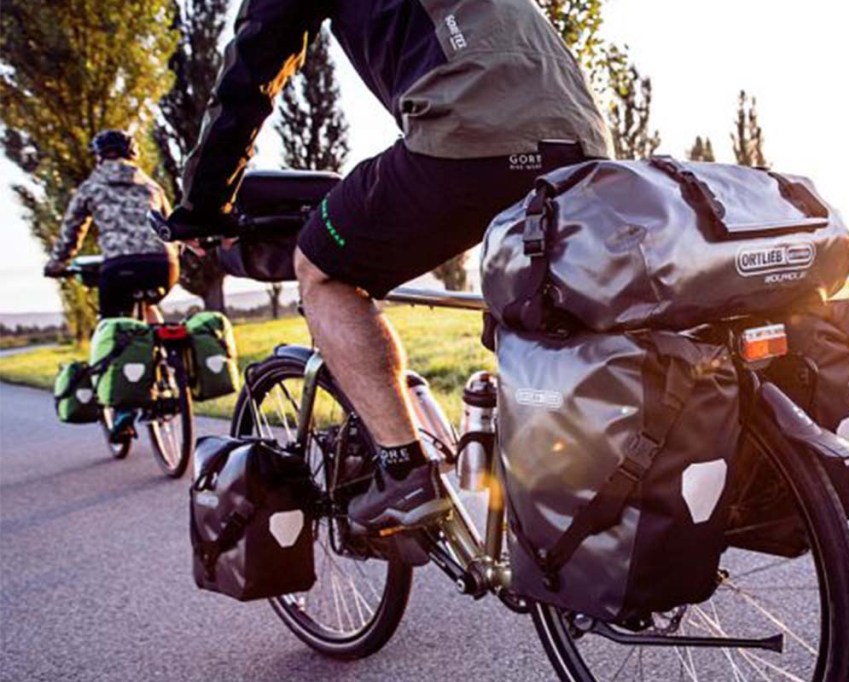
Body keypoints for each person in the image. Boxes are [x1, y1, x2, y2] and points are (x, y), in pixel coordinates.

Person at [167, 0, 611, 531]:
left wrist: (202, 208)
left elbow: (249, 77)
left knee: (323, 269)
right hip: (582, 139)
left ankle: (404, 472)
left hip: (467, 131)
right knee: (534, 305)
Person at [45, 130, 179, 441]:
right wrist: (176, 255)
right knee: (149, 307)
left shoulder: (92, 186)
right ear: (132, 154)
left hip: (120, 267)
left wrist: (56, 265)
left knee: (114, 327)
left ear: (100, 156)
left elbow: (71, 231)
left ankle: (123, 411)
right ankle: (172, 368)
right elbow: (171, 226)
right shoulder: (151, 184)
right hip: (163, 265)